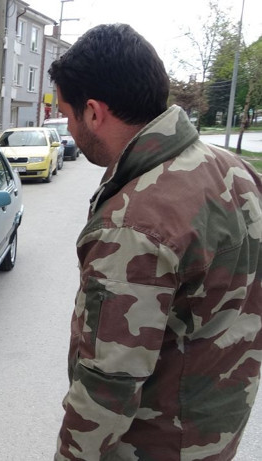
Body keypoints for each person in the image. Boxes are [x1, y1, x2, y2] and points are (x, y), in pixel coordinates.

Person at [48, 24, 262, 460]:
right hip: (217, 428)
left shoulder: (133, 224)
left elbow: (108, 385)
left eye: (67, 114)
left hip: (154, 445)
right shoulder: (236, 171)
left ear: (93, 112)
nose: (68, 128)